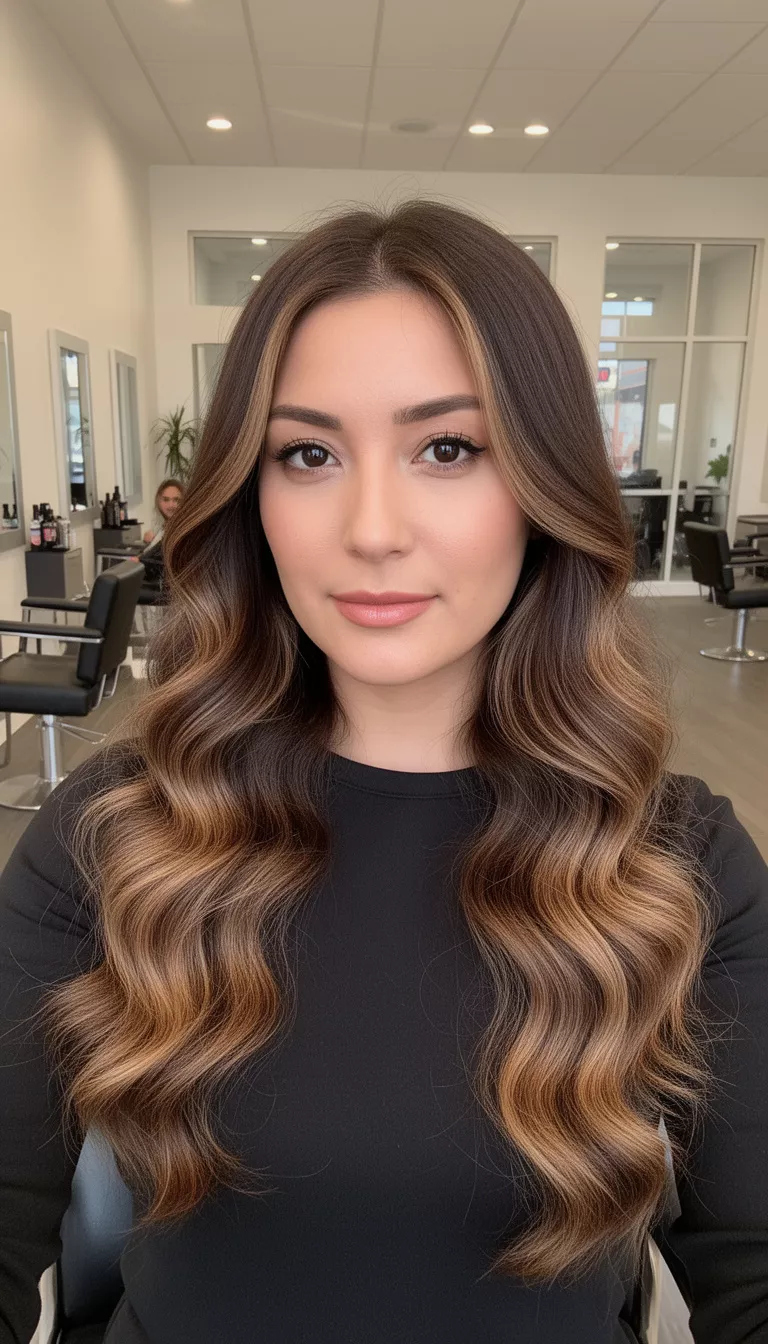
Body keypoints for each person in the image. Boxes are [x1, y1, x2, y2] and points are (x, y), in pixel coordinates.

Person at [1, 200, 766, 1344]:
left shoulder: (674, 862)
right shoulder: (114, 838)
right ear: (251, 498)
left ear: (544, 485)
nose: (370, 527)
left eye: (447, 448)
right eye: (307, 453)